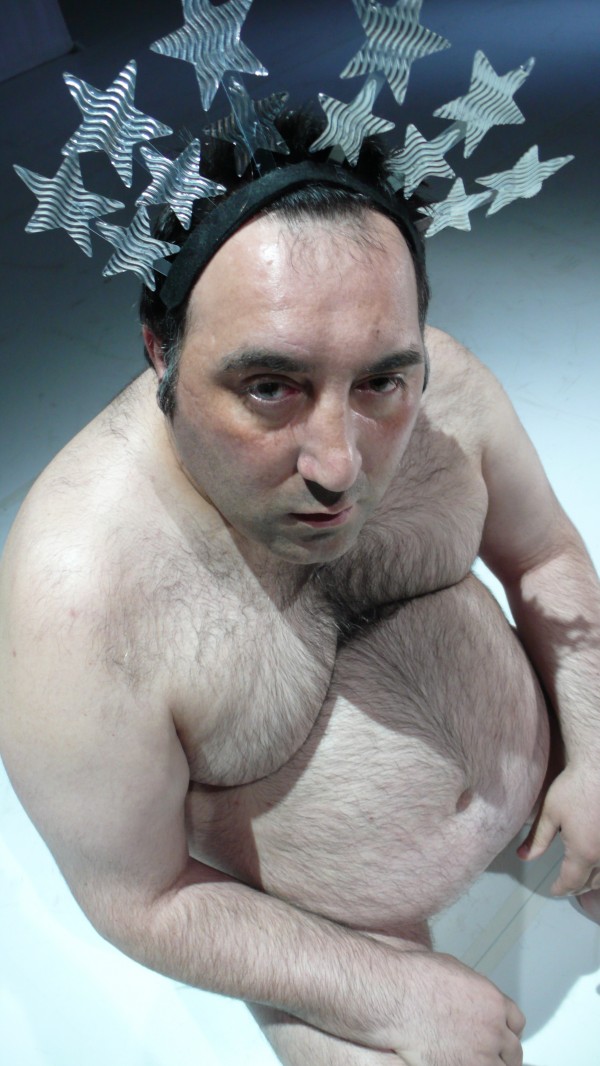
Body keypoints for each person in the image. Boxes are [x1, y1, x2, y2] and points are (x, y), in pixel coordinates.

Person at [1, 109, 599, 1066]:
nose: (339, 465)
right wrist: (382, 990)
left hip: (542, 785)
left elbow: (547, 558)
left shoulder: (444, 389)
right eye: (270, 387)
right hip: (323, 934)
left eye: (380, 382)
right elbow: (138, 896)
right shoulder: (74, 592)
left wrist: (594, 755)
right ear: (160, 350)